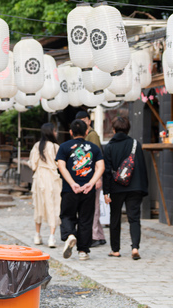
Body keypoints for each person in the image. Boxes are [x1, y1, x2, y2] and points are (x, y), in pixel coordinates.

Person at [55, 118, 104, 261]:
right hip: (88, 190)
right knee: (86, 220)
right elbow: (101, 167)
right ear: (87, 132)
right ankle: (83, 251)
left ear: (70, 132)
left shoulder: (64, 147)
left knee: (66, 215)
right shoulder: (94, 148)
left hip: (70, 190)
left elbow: (61, 167)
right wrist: (91, 183)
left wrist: (71, 183)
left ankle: (70, 235)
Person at [102, 115, 150, 260]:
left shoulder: (109, 147)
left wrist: (106, 191)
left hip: (116, 188)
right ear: (128, 129)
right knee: (134, 218)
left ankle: (115, 250)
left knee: (115, 218)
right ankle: (135, 247)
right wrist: (142, 187)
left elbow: (107, 171)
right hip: (135, 187)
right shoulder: (136, 144)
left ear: (114, 129)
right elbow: (142, 167)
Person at [74, 110, 107, 247]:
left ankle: (93, 236)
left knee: (93, 206)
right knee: (92, 205)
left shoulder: (92, 135)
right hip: (89, 175)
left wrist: (97, 178)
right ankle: (99, 235)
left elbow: (96, 157)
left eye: (84, 120)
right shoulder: (86, 135)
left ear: (88, 120)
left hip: (93, 175)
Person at [28, 122, 61, 247]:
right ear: (51, 132)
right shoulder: (55, 147)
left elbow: (33, 164)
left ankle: (37, 234)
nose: (56, 133)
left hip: (39, 178)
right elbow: (59, 164)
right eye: (54, 130)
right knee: (53, 205)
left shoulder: (37, 146)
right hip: (52, 178)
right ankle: (51, 237)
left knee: (39, 205)